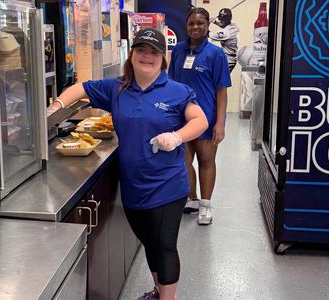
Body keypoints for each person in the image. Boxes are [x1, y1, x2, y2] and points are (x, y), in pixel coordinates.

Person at [47, 28, 208, 300]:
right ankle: (158, 291)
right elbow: (80, 88)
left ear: (162, 58)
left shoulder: (177, 91)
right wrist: (56, 106)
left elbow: (200, 120)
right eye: (141, 50)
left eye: (154, 52)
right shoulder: (117, 87)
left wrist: (176, 136)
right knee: (149, 241)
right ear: (131, 54)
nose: (147, 56)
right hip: (134, 186)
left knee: (165, 244)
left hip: (168, 184)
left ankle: (169, 297)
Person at [168, 7, 232, 225]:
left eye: (200, 23)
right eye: (191, 23)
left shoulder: (215, 54)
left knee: (206, 160)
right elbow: (171, 83)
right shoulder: (178, 51)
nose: (195, 27)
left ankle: (206, 205)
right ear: (186, 26)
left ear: (207, 26)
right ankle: (192, 199)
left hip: (206, 118)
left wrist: (220, 124)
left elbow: (221, 91)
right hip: (181, 119)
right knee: (183, 161)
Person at [209, 8, 240, 72]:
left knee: (220, 79)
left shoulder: (225, 33)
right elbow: (224, 26)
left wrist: (207, 23)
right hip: (230, 59)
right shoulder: (234, 26)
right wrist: (214, 22)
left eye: (223, 20)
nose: (221, 22)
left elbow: (209, 34)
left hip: (228, 60)